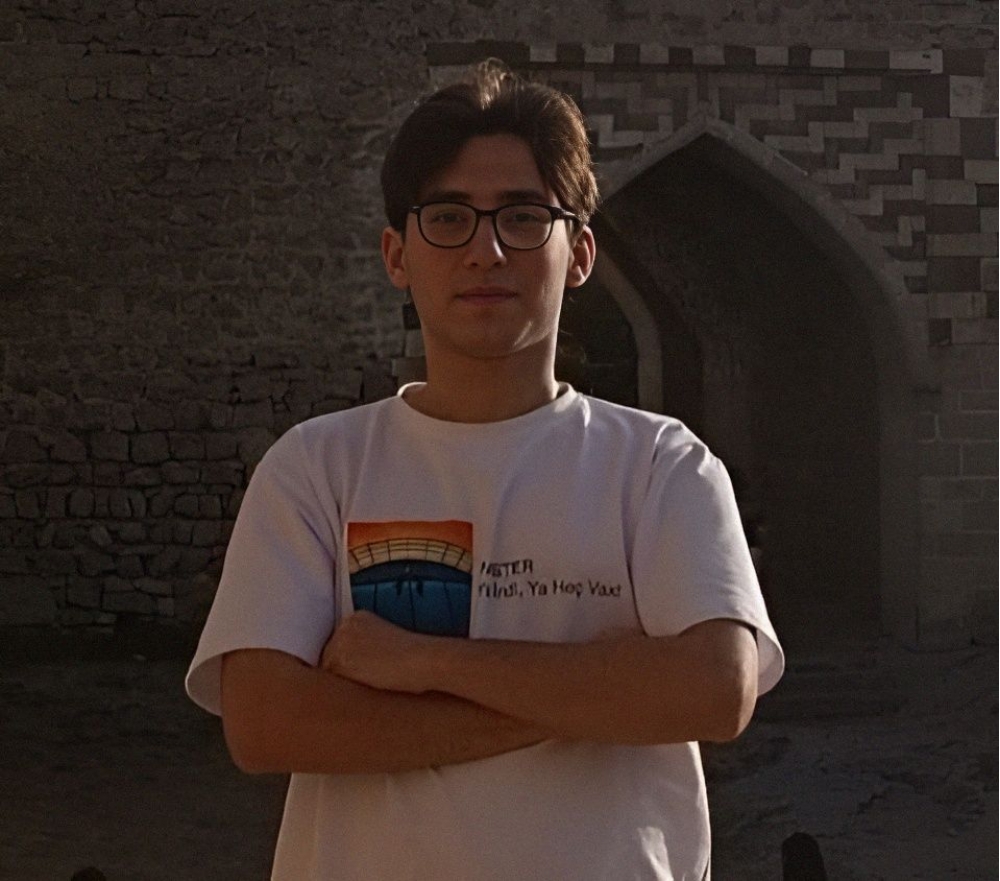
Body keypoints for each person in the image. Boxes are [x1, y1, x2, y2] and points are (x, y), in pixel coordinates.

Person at [186, 59, 783, 880]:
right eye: (448, 218)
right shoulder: (316, 469)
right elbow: (267, 722)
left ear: (580, 254)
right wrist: (603, 690)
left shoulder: (661, 466)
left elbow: (714, 690)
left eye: (524, 217)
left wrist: (423, 662)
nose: (486, 250)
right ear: (397, 254)